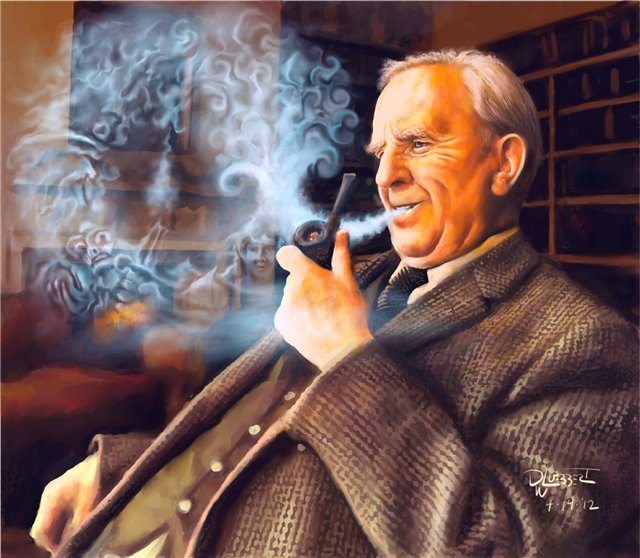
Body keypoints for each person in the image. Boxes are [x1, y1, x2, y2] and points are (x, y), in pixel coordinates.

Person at [31, 49, 638, 558]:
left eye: (418, 143)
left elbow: (500, 541)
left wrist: (349, 358)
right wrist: (122, 474)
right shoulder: (360, 278)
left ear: (503, 163)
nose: (387, 177)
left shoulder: (587, 344)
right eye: (380, 153)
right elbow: (258, 433)